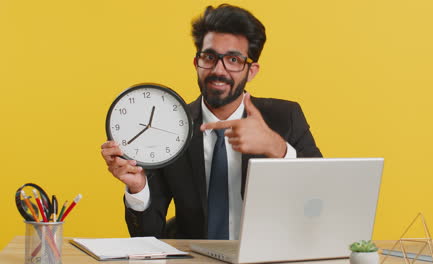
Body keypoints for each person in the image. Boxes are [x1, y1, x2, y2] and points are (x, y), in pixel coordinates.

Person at [101, 4, 322, 240]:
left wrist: (277, 148)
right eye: (209, 57)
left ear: (252, 70)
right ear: (196, 63)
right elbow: (147, 235)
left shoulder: (284, 117)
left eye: (234, 59)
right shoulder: (171, 128)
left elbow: (322, 199)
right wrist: (138, 187)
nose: (219, 70)